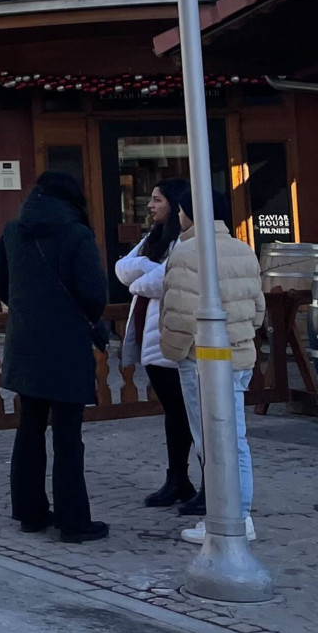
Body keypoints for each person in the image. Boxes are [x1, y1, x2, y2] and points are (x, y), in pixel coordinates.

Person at [0, 170, 112, 544]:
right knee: (68, 437)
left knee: (29, 429)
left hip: (25, 344)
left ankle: (29, 513)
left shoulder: (14, 230)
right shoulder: (76, 234)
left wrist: (28, 305)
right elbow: (93, 293)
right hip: (67, 348)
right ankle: (74, 522)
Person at [161, 189, 265, 542]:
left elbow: (177, 314)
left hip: (202, 359)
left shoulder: (187, 252)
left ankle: (229, 516)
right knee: (236, 436)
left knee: (212, 439)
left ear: (190, 214)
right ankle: (239, 513)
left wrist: (174, 352)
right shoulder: (244, 249)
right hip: (239, 355)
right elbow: (258, 309)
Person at [115, 178, 194, 509]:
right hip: (150, 336)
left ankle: (195, 481)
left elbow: (167, 280)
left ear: (175, 204)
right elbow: (122, 269)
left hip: (175, 334)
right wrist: (147, 267)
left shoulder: (187, 242)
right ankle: (177, 478)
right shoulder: (153, 239)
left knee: (188, 413)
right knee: (174, 413)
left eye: (157, 199)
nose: (150, 205)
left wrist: (142, 280)